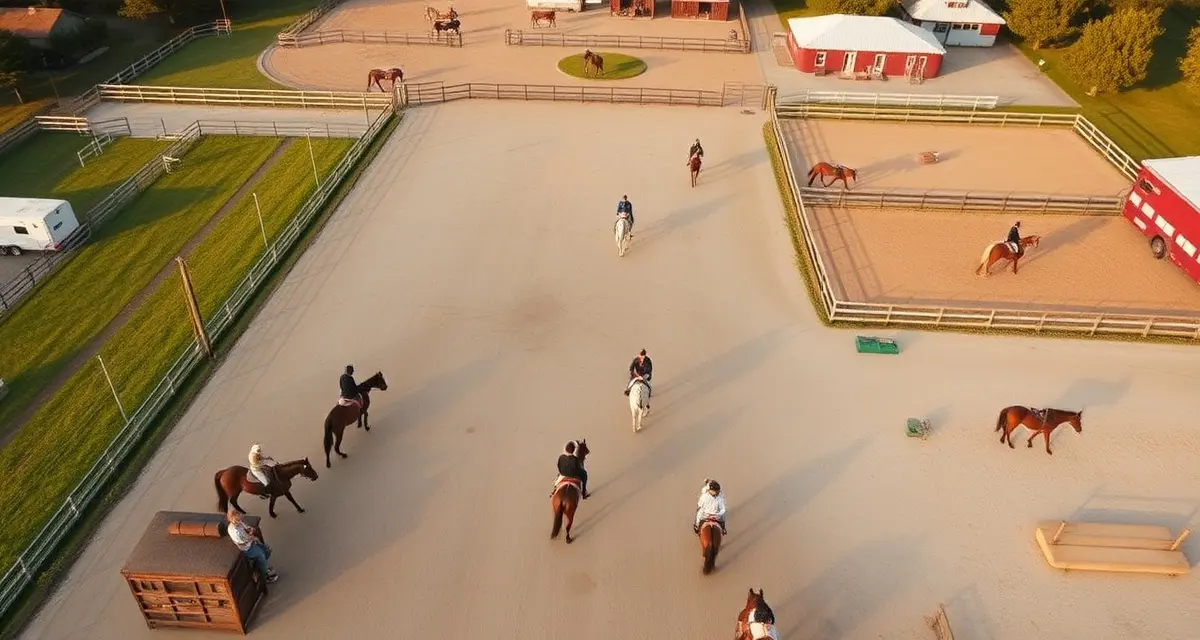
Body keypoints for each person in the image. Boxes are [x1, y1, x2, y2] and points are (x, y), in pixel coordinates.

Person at [226, 509, 278, 587]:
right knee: (261, 554)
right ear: (233, 519)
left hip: (251, 542)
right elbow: (243, 541)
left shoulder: (239, 523)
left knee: (267, 549)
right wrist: (253, 538)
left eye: (239, 516)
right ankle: (266, 575)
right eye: (238, 517)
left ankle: (262, 565)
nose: (240, 519)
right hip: (247, 548)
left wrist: (251, 529)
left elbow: (246, 527)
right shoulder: (234, 530)